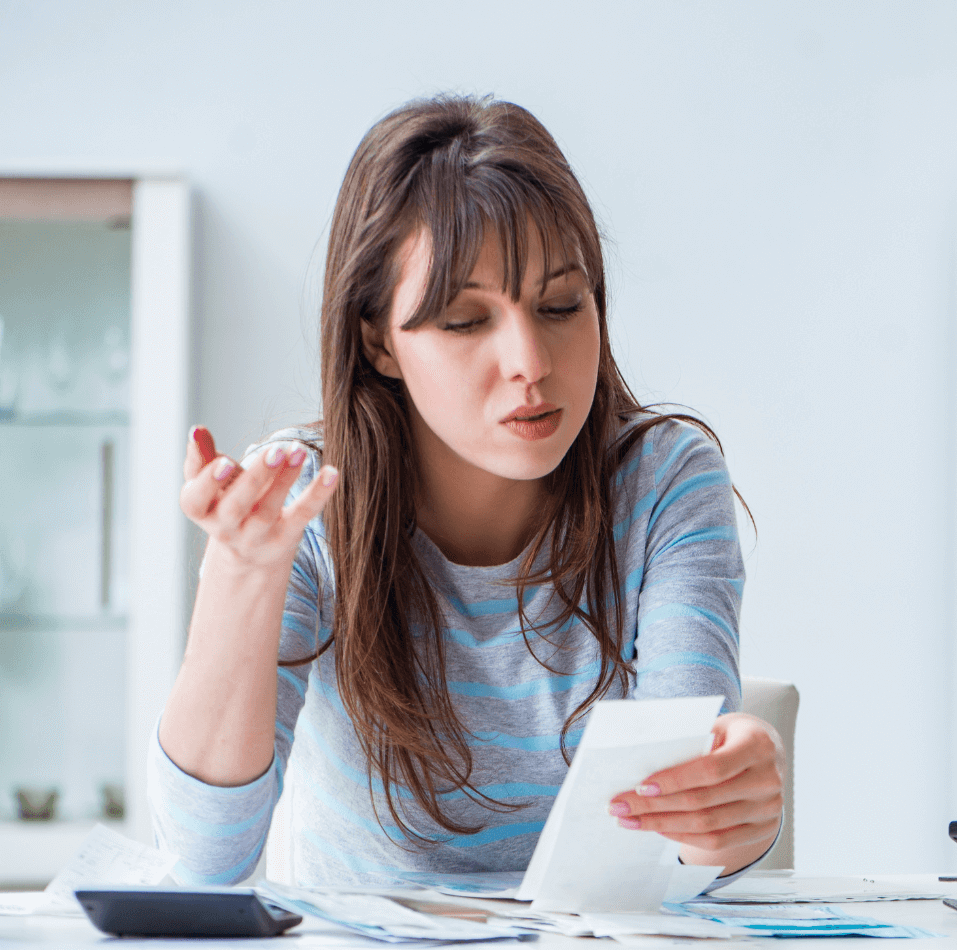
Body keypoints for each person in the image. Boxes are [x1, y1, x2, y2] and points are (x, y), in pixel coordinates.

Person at [152, 96, 783, 887]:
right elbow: (204, 863)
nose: (531, 362)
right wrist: (241, 578)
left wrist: (730, 816)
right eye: (463, 321)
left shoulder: (664, 482)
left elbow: (684, 847)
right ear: (379, 340)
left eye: (561, 305)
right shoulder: (305, 499)